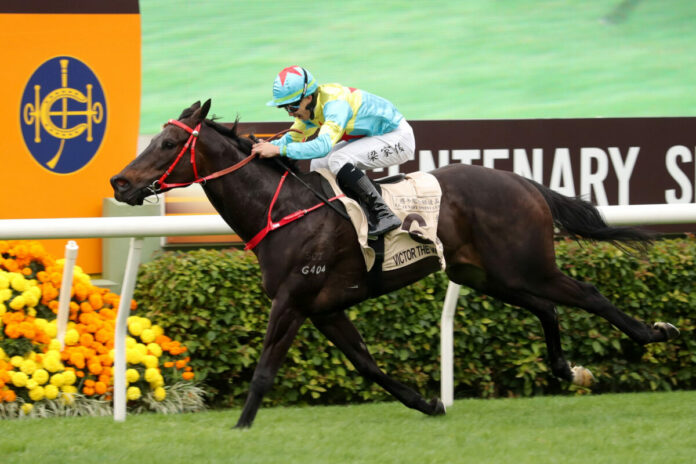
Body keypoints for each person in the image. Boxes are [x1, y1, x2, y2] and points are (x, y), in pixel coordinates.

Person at [251, 65, 415, 237]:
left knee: (338, 159)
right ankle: (336, 214)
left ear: (308, 98)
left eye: (292, 107)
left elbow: (322, 147)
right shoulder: (311, 107)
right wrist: (265, 146)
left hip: (397, 138)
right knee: (319, 164)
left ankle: (384, 213)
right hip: (376, 135)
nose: (290, 114)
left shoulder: (336, 104)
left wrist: (278, 149)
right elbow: (292, 137)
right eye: (285, 108)